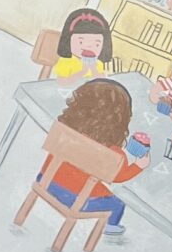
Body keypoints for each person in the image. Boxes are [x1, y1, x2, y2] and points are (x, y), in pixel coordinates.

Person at [30, 77, 148, 240]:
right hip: (76, 200)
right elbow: (117, 177)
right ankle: (110, 228)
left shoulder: (64, 130)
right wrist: (139, 165)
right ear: (120, 118)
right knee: (117, 204)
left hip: (45, 180)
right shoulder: (113, 153)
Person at [48, 7, 115, 81]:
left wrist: (95, 71)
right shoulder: (66, 62)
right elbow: (61, 82)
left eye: (97, 44)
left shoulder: (98, 64)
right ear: (68, 40)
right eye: (81, 42)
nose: (89, 46)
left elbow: (99, 81)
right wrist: (82, 72)